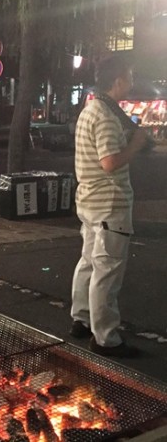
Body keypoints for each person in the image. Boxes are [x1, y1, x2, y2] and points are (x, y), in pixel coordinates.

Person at [70, 56, 149, 358]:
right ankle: (105, 338)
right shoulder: (104, 115)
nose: (131, 82)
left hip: (90, 202)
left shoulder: (91, 109)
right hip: (108, 204)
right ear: (117, 81)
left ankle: (81, 319)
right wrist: (136, 145)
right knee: (107, 271)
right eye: (129, 76)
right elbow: (109, 162)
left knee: (89, 262)